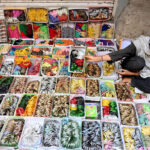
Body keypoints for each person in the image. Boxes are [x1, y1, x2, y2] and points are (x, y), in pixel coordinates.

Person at [85, 35, 150, 93]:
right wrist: (100, 58)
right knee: (139, 62)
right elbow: (122, 53)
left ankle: (130, 79)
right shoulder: (142, 43)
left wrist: (131, 74)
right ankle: (126, 71)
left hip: (145, 73)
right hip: (132, 64)